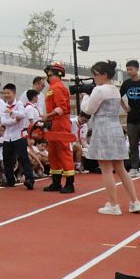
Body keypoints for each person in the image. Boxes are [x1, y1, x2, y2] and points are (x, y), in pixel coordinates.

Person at [81, 61, 140, 215]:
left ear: (104, 75)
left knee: (106, 168)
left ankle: (114, 205)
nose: (93, 78)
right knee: (121, 168)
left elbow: (88, 109)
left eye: (95, 74)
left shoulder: (99, 90)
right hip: (115, 128)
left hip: (103, 129)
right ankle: (135, 201)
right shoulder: (115, 89)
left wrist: (85, 96)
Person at [41, 61, 77, 193]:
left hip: (61, 124)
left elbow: (62, 108)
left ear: (52, 73)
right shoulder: (53, 88)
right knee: (53, 153)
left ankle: (69, 183)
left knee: (64, 152)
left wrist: (47, 116)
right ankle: (56, 182)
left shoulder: (58, 88)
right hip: (54, 124)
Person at [0, 84, 35, 189]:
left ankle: (29, 179)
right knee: (7, 159)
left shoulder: (19, 104)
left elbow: (22, 115)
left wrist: (11, 112)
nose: (6, 95)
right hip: (7, 137)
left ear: (14, 94)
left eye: (8, 93)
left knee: (24, 158)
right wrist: (15, 119)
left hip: (18, 136)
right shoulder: (3, 105)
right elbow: (3, 121)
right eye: (5, 93)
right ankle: (10, 180)